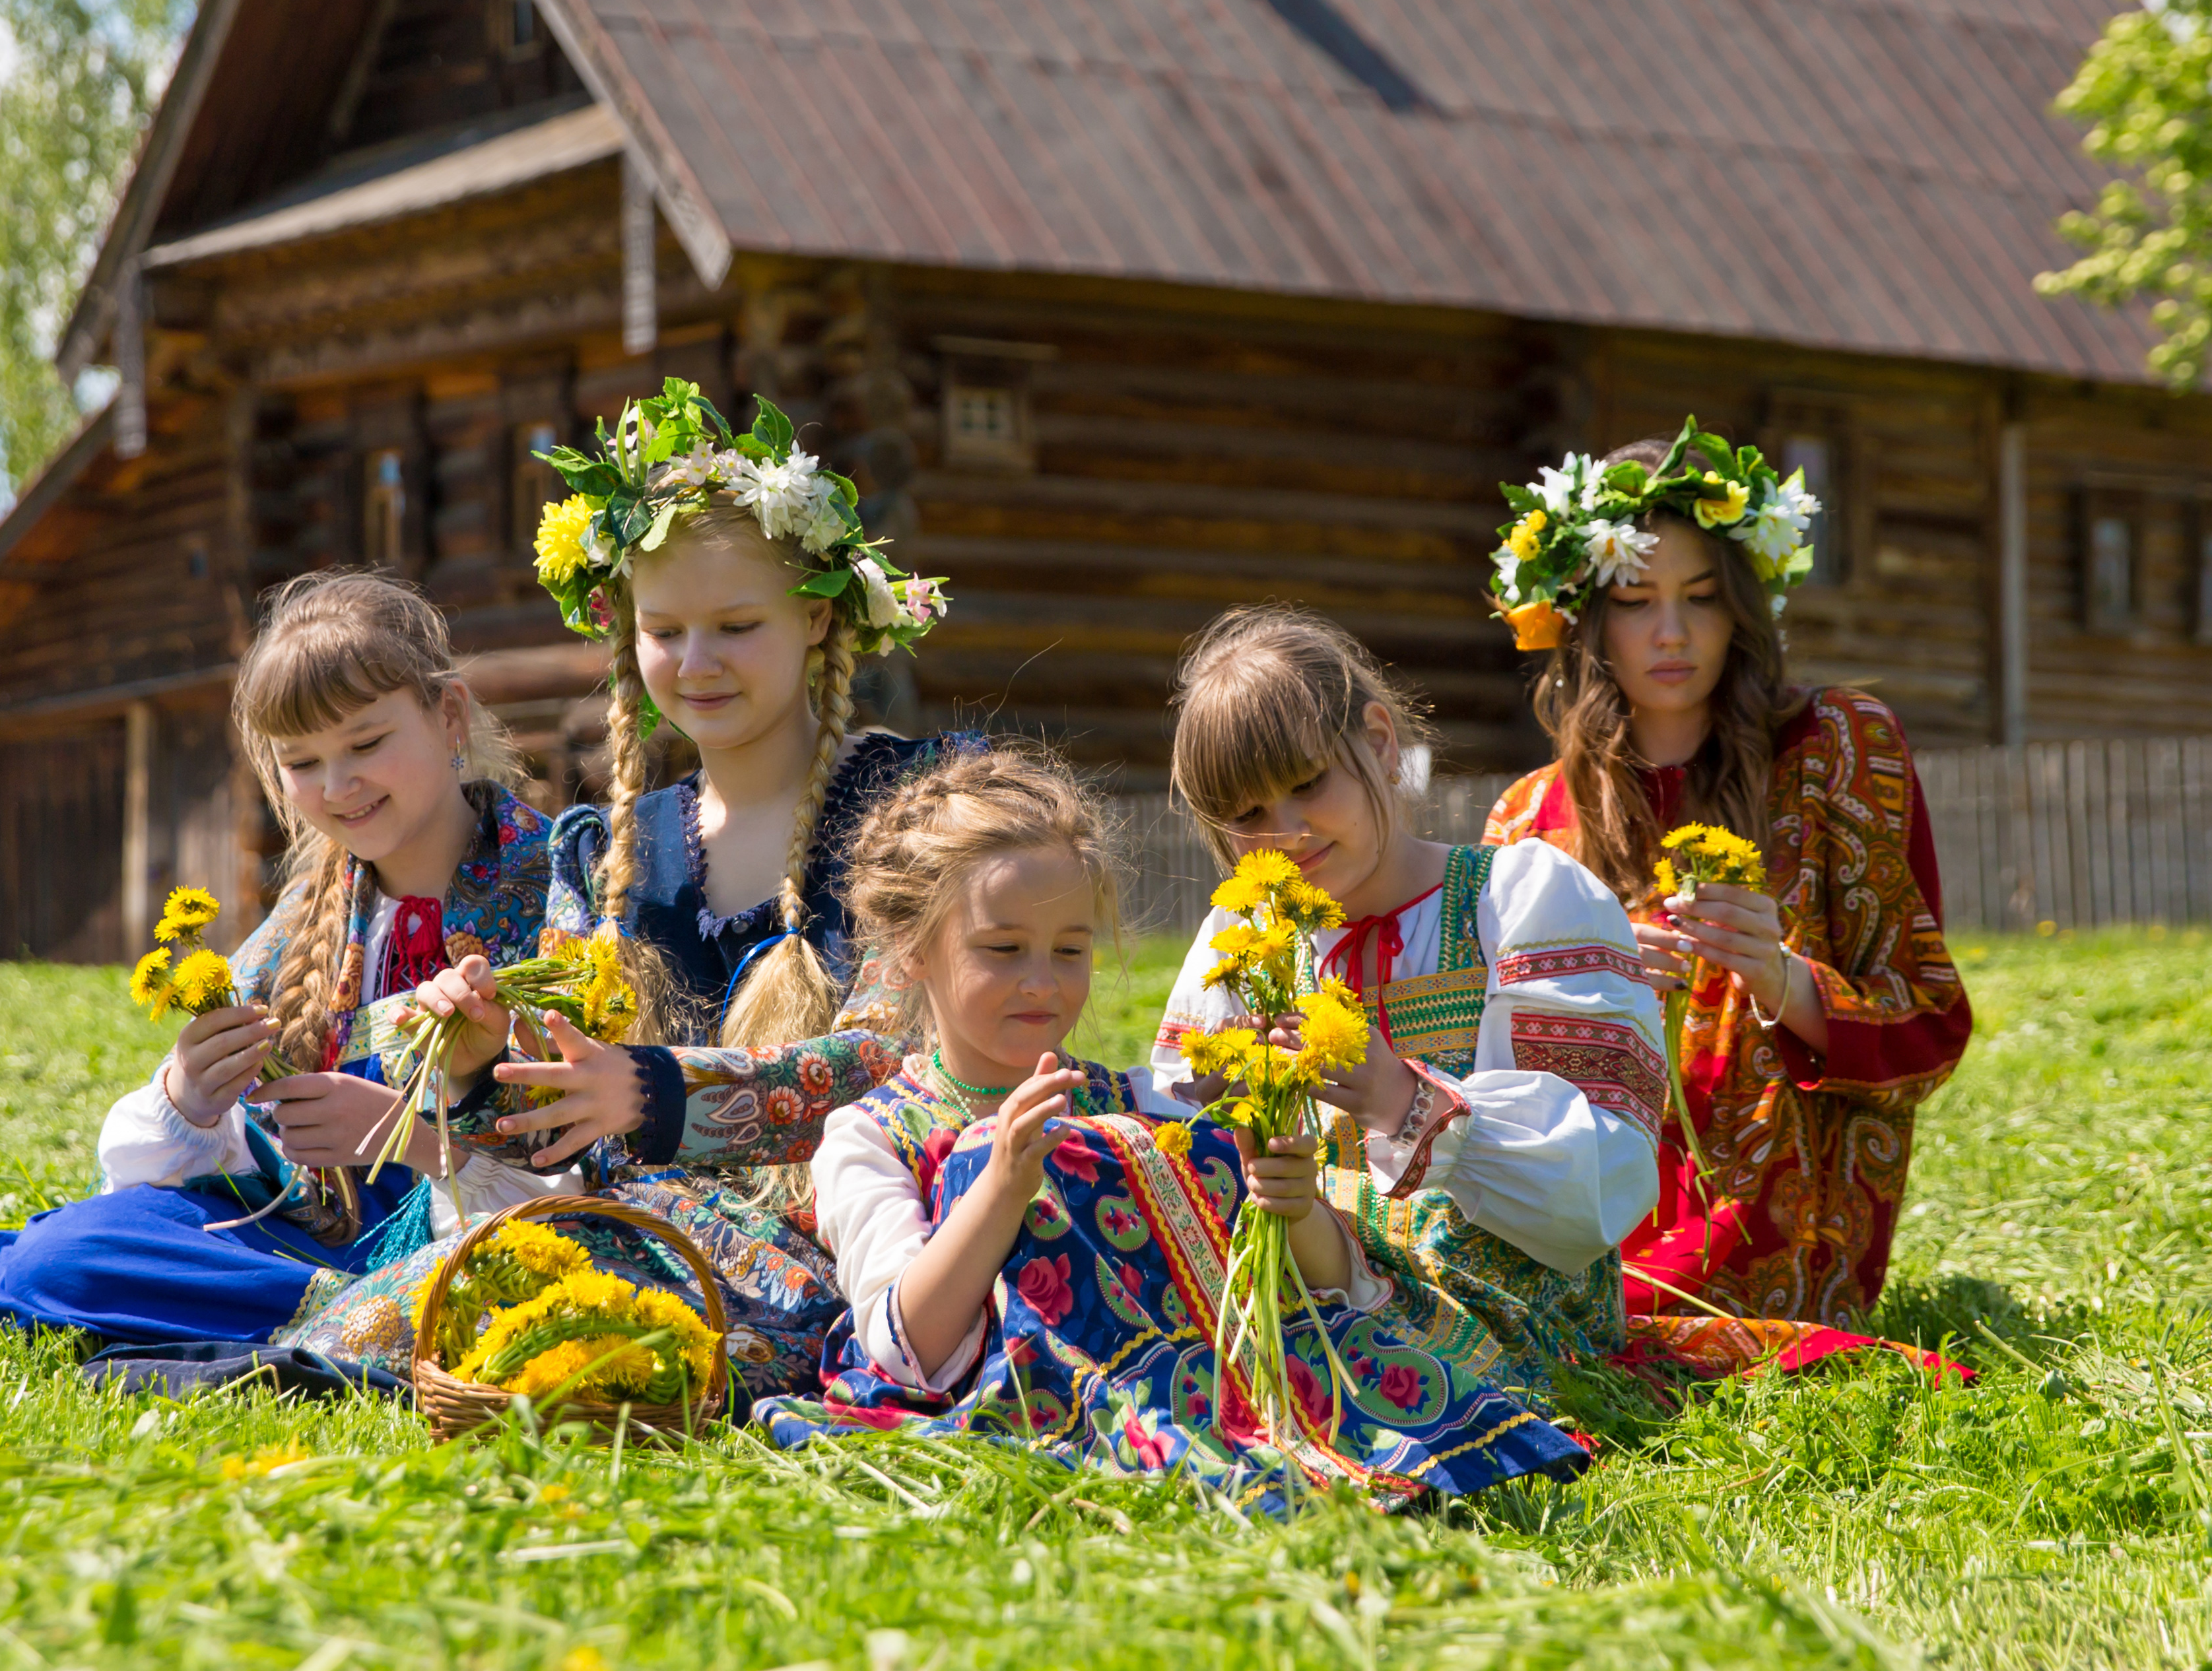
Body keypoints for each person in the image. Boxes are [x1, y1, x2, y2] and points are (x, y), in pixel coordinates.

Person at [269, 380, 976, 1403]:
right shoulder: (605, 855)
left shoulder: (910, 807)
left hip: (836, 1244)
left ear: (817, 617)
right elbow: (537, 1125)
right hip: (614, 1216)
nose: (696, 662)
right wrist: (480, 1066)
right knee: (404, 1316)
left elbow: (892, 1061)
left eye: (737, 624)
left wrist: (651, 1093)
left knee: (619, 1331)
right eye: (664, 629)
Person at [762, 746, 1588, 1508]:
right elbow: (906, 1346)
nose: (1041, 984)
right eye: (1004, 949)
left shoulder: (1145, 1108)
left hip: (1218, 1390)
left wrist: (1295, 1211)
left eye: (1071, 950)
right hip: (1026, 1403)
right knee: (993, 1158)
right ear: (910, 949)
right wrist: (1003, 1182)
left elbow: (1338, 1295)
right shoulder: (872, 1137)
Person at [0, 570, 562, 1374]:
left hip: (496, 1238)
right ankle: (374, 1328)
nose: (339, 786)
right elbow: (231, 1159)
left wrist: (412, 1141)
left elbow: (601, 1170)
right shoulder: (307, 918)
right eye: (302, 762)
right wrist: (188, 1099)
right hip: (304, 1246)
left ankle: (388, 1321)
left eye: (367, 744)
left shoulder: (555, 887)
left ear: (448, 716)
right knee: (60, 1258)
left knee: (531, 1282)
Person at [1483, 422, 1972, 1343]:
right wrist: (1599, 981)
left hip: (1783, 1238)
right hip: (1580, 1225)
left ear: (1743, 606)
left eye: (1703, 597)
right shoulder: (1527, 819)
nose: (1673, 633)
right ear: (1586, 614)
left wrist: (1785, 982)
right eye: (1636, 599)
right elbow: (1490, 1071)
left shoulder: (1838, 748)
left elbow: (1931, 1030)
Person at [1147, 606, 1665, 1391]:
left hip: (1503, 1307)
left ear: (1381, 744)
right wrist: (1220, 1116)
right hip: (1306, 1284)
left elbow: (1605, 1181)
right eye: (1249, 815)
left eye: (1307, 783)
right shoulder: (1245, 936)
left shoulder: (1520, 899)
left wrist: (1404, 1100)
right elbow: (1181, 1137)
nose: (1285, 832)